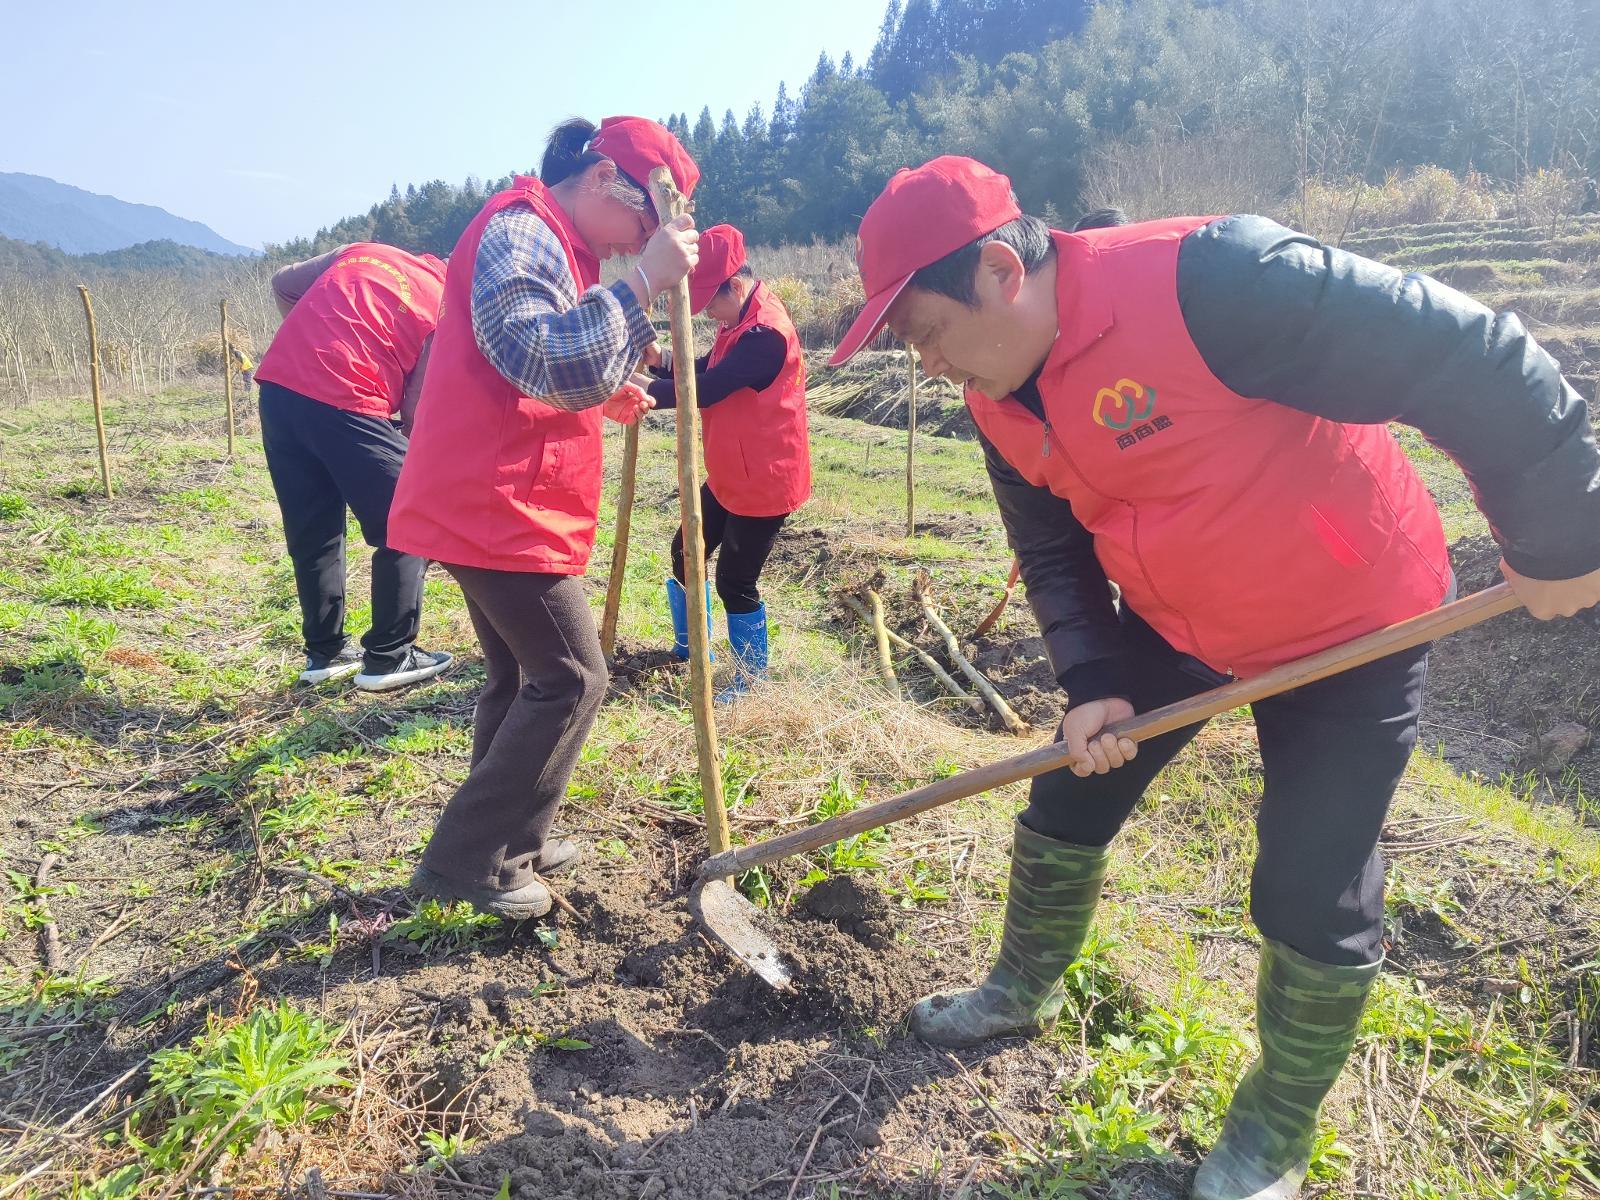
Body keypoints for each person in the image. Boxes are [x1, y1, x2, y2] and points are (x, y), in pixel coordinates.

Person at [829, 156, 1600, 1199]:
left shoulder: (1212, 281)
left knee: (1305, 885)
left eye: (925, 335)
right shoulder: (1000, 391)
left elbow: (1463, 351)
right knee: (1068, 791)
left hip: (1349, 621)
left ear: (1001, 271)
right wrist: (1092, 675)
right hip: (1179, 615)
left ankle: (1271, 1138)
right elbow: (1049, 543)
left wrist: (1558, 529)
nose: (926, 367)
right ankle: (1020, 987)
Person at [387, 116, 699, 920]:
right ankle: (466, 863)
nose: (640, 240)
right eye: (643, 219)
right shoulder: (521, 231)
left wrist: (611, 385)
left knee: (520, 676)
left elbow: (552, 373)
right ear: (603, 179)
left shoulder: (560, 243)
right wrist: (643, 286)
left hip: (494, 496)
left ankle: (511, 836)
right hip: (493, 500)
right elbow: (541, 356)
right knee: (571, 678)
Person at [254, 241, 453, 691]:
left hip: (280, 390)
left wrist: (322, 341)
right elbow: (418, 404)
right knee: (410, 518)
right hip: (349, 397)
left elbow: (283, 284)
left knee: (314, 529)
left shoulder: (360, 252)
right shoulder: (448, 305)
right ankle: (389, 656)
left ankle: (324, 653)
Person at [640, 223, 810, 699]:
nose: (707, 314)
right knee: (685, 552)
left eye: (709, 303)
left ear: (734, 286)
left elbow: (710, 387)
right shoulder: (737, 321)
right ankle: (691, 646)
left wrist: (639, 392)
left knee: (736, 580)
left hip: (766, 479)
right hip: (732, 470)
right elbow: (706, 367)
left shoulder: (766, 336)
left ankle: (751, 680)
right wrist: (660, 362)